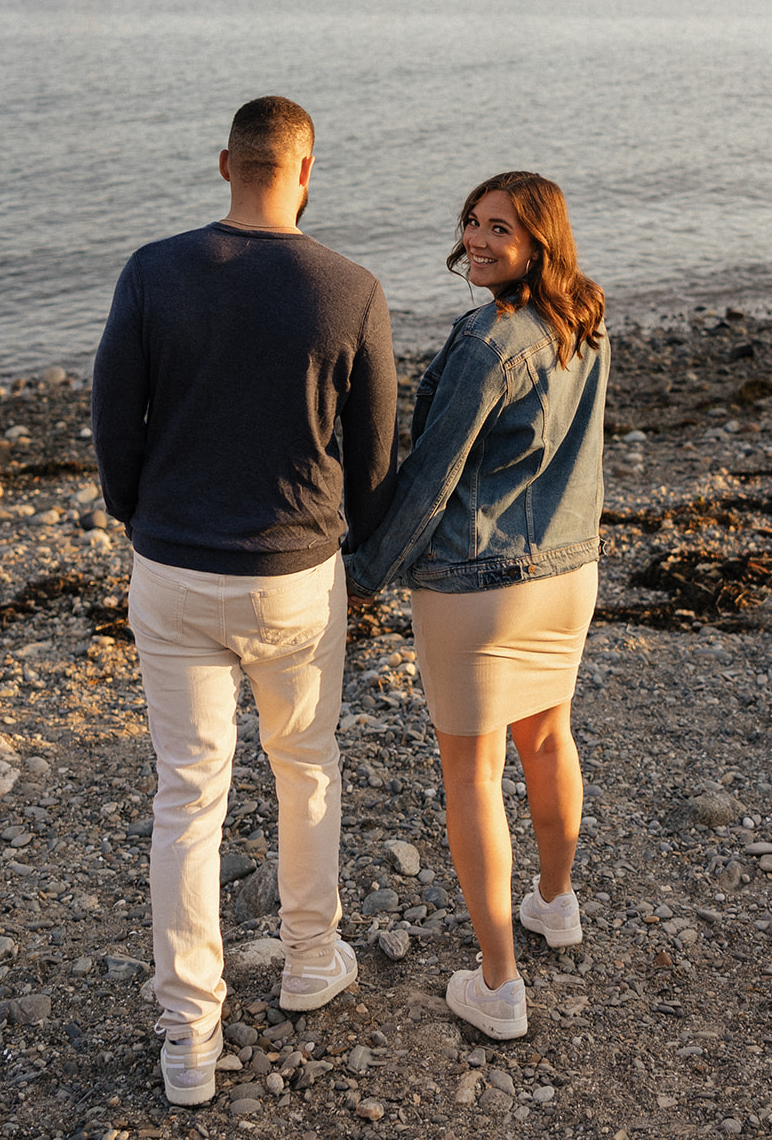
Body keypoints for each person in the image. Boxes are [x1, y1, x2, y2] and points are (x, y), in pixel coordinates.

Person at [92, 96, 398, 1105]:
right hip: (294, 576)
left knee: (187, 798)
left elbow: (113, 417)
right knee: (304, 765)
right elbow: (374, 456)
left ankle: (188, 1037)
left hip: (173, 568)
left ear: (227, 162)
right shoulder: (348, 288)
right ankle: (310, 960)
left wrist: (141, 514)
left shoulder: (152, 269)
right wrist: (345, 532)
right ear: (307, 169)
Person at [345, 171, 608, 1041]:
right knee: (547, 737)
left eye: (501, 227)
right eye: (472, 221)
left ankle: (498, 985)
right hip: (567, 575)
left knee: (471, 774)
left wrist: (363, 571)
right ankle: (555, 903)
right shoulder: (584, 323)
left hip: (479, 585)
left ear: (540, 240)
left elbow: (432, 474)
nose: (479, 239)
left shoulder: (487, 340)